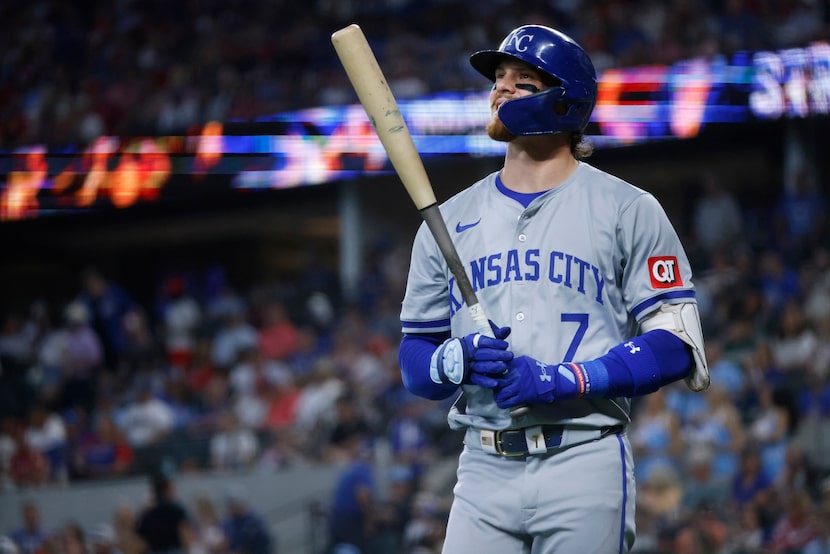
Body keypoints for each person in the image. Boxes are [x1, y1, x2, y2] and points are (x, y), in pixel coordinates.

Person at [397, 24, 710, 553]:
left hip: (583, 460)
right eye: (498, 78)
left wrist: (564, 380)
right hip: (482, 466)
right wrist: (453, 363)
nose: (501, 89)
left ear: (566, 101)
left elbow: (677, 344)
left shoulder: (627, 208)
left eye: (523, 81)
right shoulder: (446, 222)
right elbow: (414, 358)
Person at [134, 472, 193, 554]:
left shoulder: (146, 515)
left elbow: (141, 543)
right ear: (167, 489)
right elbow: (186, 534)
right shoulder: (176, 511)